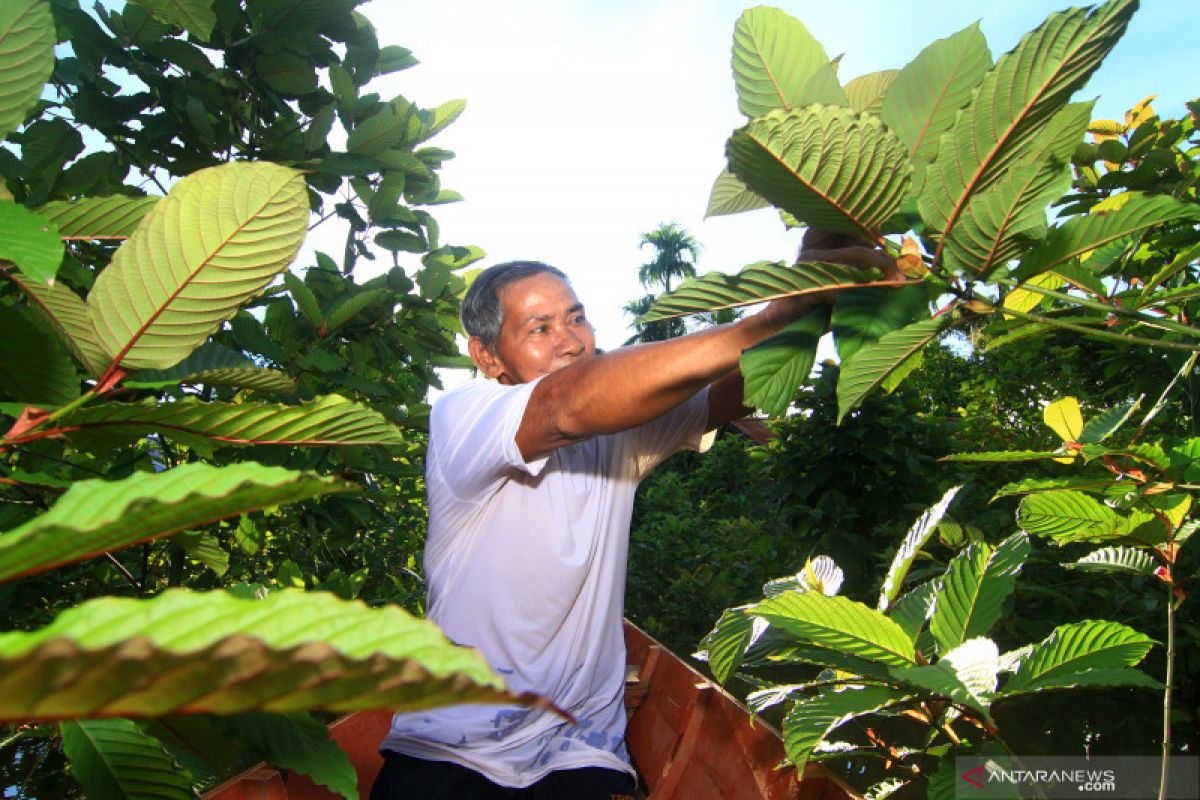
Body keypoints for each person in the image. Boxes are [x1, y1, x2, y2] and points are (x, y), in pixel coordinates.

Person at [372, 232, 898, 799]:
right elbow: (564, 404)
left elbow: (734, 391)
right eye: (540, 328)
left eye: (576, 319)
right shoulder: (465, 415)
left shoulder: (623, 429)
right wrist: (768, 318)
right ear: (487, 357)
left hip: (580, 751)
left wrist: (815, 295)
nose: (570, 341)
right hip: (453, 751)